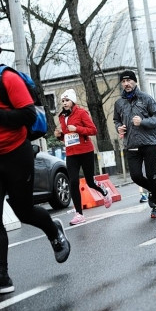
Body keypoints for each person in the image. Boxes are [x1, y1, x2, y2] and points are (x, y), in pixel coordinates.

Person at [0, 33, 70, 297]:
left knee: (23, 211)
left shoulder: (6, 78)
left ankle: (54, 231)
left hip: (15, 156)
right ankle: (1, 277)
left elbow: (28, 115)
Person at [55, 88, 111, 226]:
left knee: (90, 181)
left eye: (67, 100)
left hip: (85, 151)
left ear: (73, 101)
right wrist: (60, 136)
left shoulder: (81, 113)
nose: (65, 103)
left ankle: (104, 190)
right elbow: (68, 137)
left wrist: (77, 129)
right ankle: (79, 214)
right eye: (63, 101)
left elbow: (93, 130)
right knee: (73, 182)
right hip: (71, 153)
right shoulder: (61, 117)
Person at [114, 70, 156, 218]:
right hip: (131, 144)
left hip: (148, 143)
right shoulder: (119, 103)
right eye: (123, 81)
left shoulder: (146, 98)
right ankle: (152, 191)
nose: (126, 84)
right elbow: (116, 120)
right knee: (136, 176)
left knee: (151, 175)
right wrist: (119, 127)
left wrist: (143, 122)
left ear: (134, 81)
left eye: (129, 80)